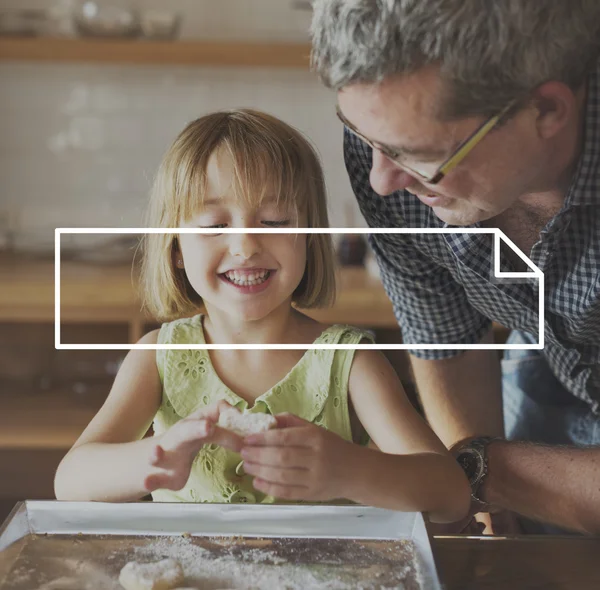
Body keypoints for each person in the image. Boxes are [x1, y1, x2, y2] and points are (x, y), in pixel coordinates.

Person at [53, 109, 469, 523]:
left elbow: (450, 494)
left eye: (274, 220)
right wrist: (156, 459)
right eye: (215, 224)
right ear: (175, 247)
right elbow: (70, 481)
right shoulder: (158, 357)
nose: (246, 245)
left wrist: (350, 471)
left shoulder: (350, 362)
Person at [310, 0, 600, 535]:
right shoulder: (391, 150)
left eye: (420, 156)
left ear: (547, 112)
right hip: (548, 366)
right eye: (365, 138)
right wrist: (485, 508)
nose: (380, 180)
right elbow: (444, 338)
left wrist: (480, 469)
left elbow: (475, 469)